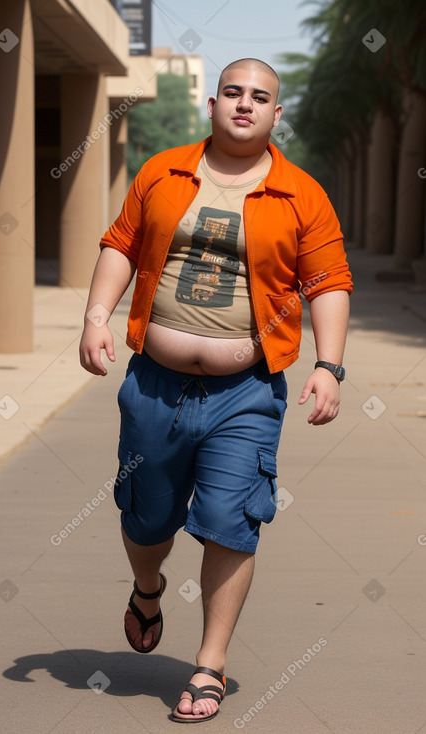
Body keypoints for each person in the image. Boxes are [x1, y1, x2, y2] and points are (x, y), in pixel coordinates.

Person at [79, 58, 352, 723]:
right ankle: (148, 589)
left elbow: (329, 282)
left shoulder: (301, 194)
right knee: (146, 516)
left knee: (233, 521)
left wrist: (328, 365)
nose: (244, 103)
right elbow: (121, 241)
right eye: (233, 92)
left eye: (259, 96)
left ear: (275, 114)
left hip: (247, 392)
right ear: (211, 102)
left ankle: (209, 665)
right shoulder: (163, 172)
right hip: (154, 383)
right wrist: (95, 316)